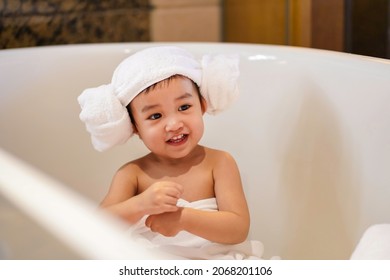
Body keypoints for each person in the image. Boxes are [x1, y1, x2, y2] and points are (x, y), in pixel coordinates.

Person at [78, 46, 264, 259]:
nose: (174, 124)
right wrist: (140, 204)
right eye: (156, 116)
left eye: (184, 107)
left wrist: (184, 219)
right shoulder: (132, 174)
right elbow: (97, 227)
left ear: (202, 105)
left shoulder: (220, 163)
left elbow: (238, 229)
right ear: (135, 127)